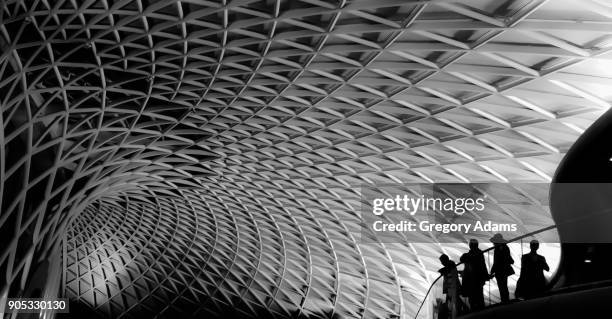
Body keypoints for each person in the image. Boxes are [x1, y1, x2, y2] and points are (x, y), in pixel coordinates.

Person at [460, 239, 489, 311]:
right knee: (478, 294)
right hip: (477, 278)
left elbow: (462, 259)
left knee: (473, 294)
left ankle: (475, 308)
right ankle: (480, 308)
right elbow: (483, 265)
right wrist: (485, 276)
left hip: (473, 278)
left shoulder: (470, 254)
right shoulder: (479, 253)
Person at [489, 233, 514, 303]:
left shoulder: (497, 249)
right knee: (504, 285)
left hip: (499, 270)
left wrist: (492, 271)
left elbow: (496, 261)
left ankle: (504, 300)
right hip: (504, 269)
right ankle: (505, 299)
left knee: (501, 286)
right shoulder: (505, 247)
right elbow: (508, 259)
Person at [438, 254, 461, 318]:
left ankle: (458, 313)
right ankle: (456, 312)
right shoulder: (450, 264)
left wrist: (442, 271)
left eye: (442, 261)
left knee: (453, 300)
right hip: (450, 287)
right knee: (452, 300)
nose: (442, 263)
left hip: (452, 287)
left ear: (445, 260)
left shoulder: (450, 264)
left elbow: (448, 270)